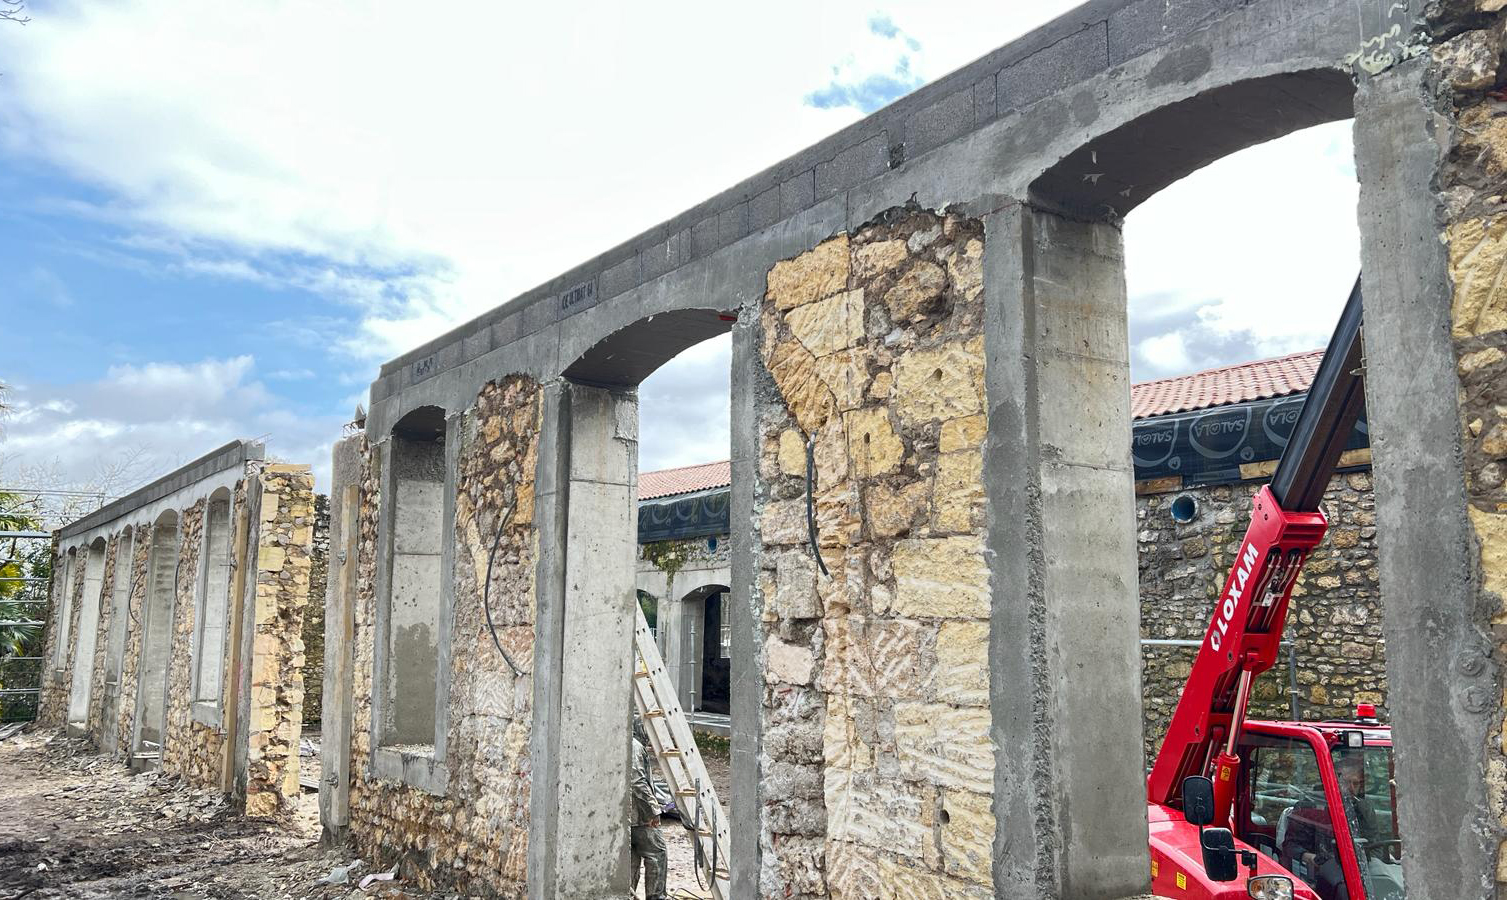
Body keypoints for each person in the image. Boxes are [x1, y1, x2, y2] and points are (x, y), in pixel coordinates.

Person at [630, 716, 668, 900]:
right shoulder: (635, 747)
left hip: (627, 816)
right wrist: (652, 810)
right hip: (640, 816)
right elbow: (637, 782)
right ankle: (655, 896)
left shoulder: (624, 743)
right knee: (657, 853)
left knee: (631, 859)